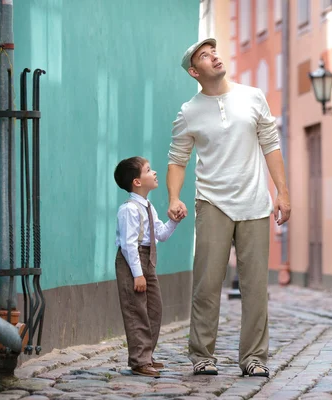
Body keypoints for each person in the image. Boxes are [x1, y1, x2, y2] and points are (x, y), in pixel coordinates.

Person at [166, 38, 291, 377]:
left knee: (255, 288)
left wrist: (283, 192)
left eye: (214, 52)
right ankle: (202, 355)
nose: (214, 57)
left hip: (254, 203)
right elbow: (177, 160)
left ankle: (254, 358)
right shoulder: (189, 112)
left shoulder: (252, 97)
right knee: (206, 285)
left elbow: (271, 144)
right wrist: (174, 198)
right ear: (195, 71)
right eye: (205, 56)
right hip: (212, 203)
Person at [114, 156, 182, 377]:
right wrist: (137, 274)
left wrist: (174, 221)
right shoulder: (129, 209)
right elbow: (128, 245)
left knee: (154, 308)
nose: (154, 173)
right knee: (136, 311)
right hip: (133, 262)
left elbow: (160, 234)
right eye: (148, 170)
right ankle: (139, 360)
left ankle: (147, 355)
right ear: (137, 181)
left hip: (148, 261)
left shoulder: (148, 207)